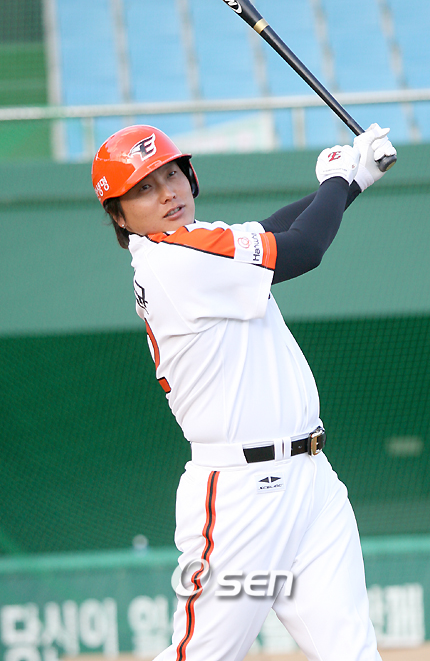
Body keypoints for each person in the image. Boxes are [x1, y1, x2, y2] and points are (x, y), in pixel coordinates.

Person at [92, 123, 396, 661]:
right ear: (119, 216)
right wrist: (336, 180)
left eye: (171, 175)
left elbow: (270, 230)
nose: (166, 193)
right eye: (143, 188)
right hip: (240, 496)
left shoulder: (195, 242)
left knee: (351, 652)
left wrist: (355, 179)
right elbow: (302, 249)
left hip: (312, 480)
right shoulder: (173, 259)